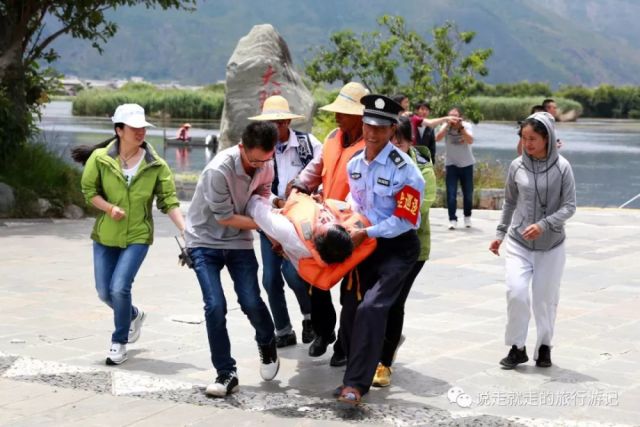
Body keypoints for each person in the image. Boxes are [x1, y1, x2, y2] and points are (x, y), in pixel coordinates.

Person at [73, 103, 185, 366]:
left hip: (138, 236)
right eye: (134, 128)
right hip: (105, 236)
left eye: (143, 127)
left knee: (120, 287)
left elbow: (168, 200)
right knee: (104, 292)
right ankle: (133, 315)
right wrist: (109, 208)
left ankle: (119, 341)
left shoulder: (156, 165)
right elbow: (89, 192)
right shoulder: (100, 158)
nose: (140, 132)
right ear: (119, 130)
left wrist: (185, 229)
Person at [336, 94, 425, 406]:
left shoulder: (407, 170)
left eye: (381, 127)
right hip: (365, 244)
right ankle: (352, 371)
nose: (372, 133)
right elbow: (357, 201)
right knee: (349, 308)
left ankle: (355, 385)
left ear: (391, 130)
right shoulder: (355, 164)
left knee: (372, 308)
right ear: (363, 125)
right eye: (368, 125)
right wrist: (345, 214)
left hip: (397, 249)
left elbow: (405, 220)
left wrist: (366, 232)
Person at [184, 121, 280, 397]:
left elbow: (263, 191)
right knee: (215, 305)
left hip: (238, 241)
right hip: (204, 241)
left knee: (250, 300)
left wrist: (273, 204)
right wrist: (268, 227)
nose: (259, 165)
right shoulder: (219, 170)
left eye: (265, 159)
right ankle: (226, 373)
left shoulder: (266, 163)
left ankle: (267, 341)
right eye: (254, 160)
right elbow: (225, 218)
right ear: (241, 148)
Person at [489, 112, 576, 370]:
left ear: (547, 138)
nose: (527, 144)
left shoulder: (563, 168)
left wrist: (545, 224)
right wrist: (499, 234)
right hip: (519, 242)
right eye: (524, 138)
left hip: (552, 245)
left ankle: (545, 346)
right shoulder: (516, 166)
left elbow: (570, 206)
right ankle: (517, 348)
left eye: (533, 138)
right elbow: (510, 201)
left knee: (544, 299)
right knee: (516, 293)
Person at [292, 82, 368, 365]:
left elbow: (359, 188)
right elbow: (315, 167)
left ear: (360, 116)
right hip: (323, 220)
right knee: (315, 280)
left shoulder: (367, 146)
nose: (338, 117)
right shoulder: (334, 137)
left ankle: (345, 347)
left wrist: (344, 212)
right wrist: (299, 185)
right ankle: (325, 333)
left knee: (352, 292)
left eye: (344, 113)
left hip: (351, 224)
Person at [248, 95, 322, 348]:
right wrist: (275, 204)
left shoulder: (307, 143)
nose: (274, 128)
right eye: (269, 123)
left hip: (298, 221)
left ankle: (309, 317)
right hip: (268, 218)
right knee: (269, 278)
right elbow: (252, 190)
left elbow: (322, 173)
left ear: (288, 121)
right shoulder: (257, 148)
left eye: (279, 122)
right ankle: (283, 329)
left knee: (294, 272)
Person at [372, 115, 436, 388]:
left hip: (412, 249)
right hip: (378, 243)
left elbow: (415, 210)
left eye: (398, 139)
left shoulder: (422, 170)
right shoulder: (374, 161)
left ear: (410, 141)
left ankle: (384, 363)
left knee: (394, 302)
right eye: (390, 138)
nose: (392, 145)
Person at [246, 192, 377, 289]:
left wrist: (275, 201)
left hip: (279, 208)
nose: (323, 217)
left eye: (322, 221)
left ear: (316, 239)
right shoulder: (344, 237)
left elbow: (255, 206)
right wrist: (320, 203)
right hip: (296, 204)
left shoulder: (290, 233)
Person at [435, 107, 475, 230]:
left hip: (467, 164)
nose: (453, 119)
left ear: (460, 117)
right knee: (451, 194)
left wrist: (461, 128)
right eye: (450, 116)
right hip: (451, 164)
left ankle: (467, 217)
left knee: (468, 194)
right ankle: (452, 219)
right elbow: (437, 138)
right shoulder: (445, 126)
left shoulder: (466, 125)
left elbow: (470, 140)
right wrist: (446, 125)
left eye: (455, 116)